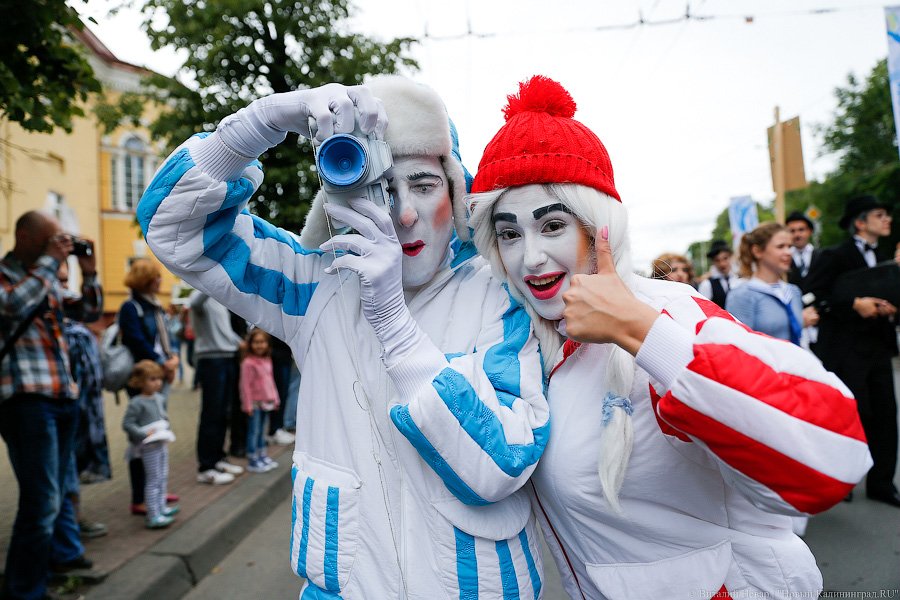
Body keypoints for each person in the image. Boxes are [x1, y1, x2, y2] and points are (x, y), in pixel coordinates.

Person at [138, 76, 549, 598]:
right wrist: (263, 122)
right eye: (383, 189)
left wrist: (393, 322)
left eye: (424, 185)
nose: (404, 214)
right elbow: (174, 229)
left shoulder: (499, 293)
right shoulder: (316, 284)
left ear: (455, 190)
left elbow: (497, 465)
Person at [467, 75, 872, 600]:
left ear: (599, 227)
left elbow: (832, 456)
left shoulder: (670, 314)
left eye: (552, 226)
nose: (530, 257)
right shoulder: (527, 342)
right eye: (509, 233)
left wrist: (641, 332)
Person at [0, 211, 101, 600]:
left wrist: (89, 274)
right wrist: (50, 262)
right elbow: (12, 306)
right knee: (40, 502)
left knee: (55, 496)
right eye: (51, 242)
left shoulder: (42, 278)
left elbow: (87, 312)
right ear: (25, 237)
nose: (58, 249)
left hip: (62, 398)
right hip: (25, 402)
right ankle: (23, 590)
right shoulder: (9, 277)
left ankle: (54, 563)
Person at [804, 195, 900, 507]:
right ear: (860, 222)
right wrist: (854, 304)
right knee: (849, 417)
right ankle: (841, 481)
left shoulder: (885, 257)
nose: (887, 220)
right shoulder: (834, 256)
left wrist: (891, 309)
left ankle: (882, 483)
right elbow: (813, 296)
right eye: (880, 214)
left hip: (879, 347)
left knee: (885, 416)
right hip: (845, 349)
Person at [119, 258, 180, 515]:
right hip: (144, 378)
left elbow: (167, 338)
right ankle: (140, 498)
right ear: (145, 280)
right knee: (143, 439)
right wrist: (162, 363)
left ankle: (156, 490)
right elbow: (136, 341)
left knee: (159, 434)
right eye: (155, 276)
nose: (159, 280)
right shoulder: (131, 307)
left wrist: (173, 359)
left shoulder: (155, 305)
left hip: (160, 374)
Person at [726, 222, 819, 346]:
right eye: (780, 247)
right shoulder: (742, 295)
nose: (788, 252)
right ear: (757, 251)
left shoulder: (793, 291)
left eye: (789, 246)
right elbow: (738, 345)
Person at [189, 291, 245, 484]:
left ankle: (218, 458)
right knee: (211, 414)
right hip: (212, 360)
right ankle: (206, 467)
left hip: (227, 358)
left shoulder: (218, 300)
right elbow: (194, 303)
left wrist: (240, 343)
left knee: (223, 413)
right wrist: (207, 281)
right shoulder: (201, 296)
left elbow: (225, 331)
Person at [122, 360, 179, 528]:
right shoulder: (137, 403)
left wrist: (166, 427)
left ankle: (161, 507)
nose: (157, 383)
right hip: (149, 447)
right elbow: (127, 424)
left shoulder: (159, 398)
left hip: (161, 443)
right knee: (153, 479)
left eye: (158, 379)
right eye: (152, 379)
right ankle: (153, 514)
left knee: (162, 476)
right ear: (140, 382)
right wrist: (142, 434)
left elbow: (163, 415)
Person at [239, 329, 279, 473]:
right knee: (254, 431)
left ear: (267, 344)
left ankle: (262, 454)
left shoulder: (267, 360)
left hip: (266, 403)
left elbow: (271, 381)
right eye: (256, 342)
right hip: (254, 405)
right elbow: (245, 386)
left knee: (262, 431)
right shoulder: (248, 363)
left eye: (262, 342)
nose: (259, 345)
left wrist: (275, 398)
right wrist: (247, 405)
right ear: (250, 344)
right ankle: (253, 458)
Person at [698, 239, 739, 307]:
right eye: (717, 260)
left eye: (725, 258)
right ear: (713, 261)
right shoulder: (707, 284)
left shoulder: (739, 279)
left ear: (731, 257)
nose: (722, 264)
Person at [786, 211, 817, 286]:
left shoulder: (822, 256)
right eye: (792, 231)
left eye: (801, 230)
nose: (797, 235)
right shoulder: (784, 258)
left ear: (810, 231)